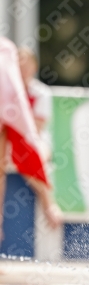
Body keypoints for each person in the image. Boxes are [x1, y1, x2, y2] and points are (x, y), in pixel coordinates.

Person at [0, 38, 62, 245]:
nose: (22, 68)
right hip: (9, 139)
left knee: (32, 154)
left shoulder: (41, 92)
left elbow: (34, 129)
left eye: (26, 64)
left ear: (34, 67)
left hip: (29, 139)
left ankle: (49, 204)